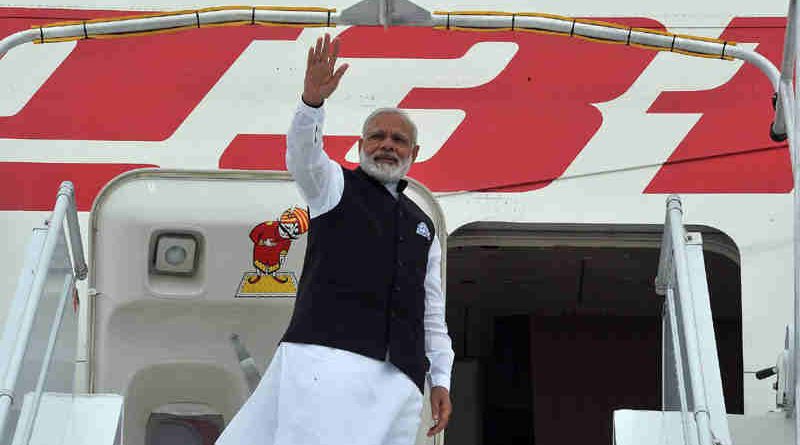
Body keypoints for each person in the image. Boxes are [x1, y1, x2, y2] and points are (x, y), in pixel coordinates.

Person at [216, 33, 454, 445]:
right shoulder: (333, 186)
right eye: (377, 136)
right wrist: (312, 103)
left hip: (399, 378)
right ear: (360, 145)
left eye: (398, 140)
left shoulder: (424, 224)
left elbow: (431, 312)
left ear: (414, 151)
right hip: (325, 361)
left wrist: (442, 379)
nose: (386, 145)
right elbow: (301, 156)